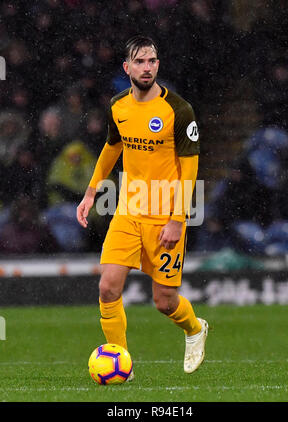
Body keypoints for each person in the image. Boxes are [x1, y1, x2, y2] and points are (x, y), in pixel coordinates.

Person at [77, 35, 208, 379]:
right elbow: (112, 147)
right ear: (127, 67)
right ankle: (123, 364)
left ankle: (194, 329)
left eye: (152, 61)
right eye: (139, 62)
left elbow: (190, 171)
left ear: (158, 65)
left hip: (166, 215)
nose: (146, 68)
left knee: (164, 302)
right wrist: (91, 192)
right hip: (128, 211)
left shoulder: (178, 110)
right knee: (107, 286)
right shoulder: (118, 106)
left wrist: (178, 220)